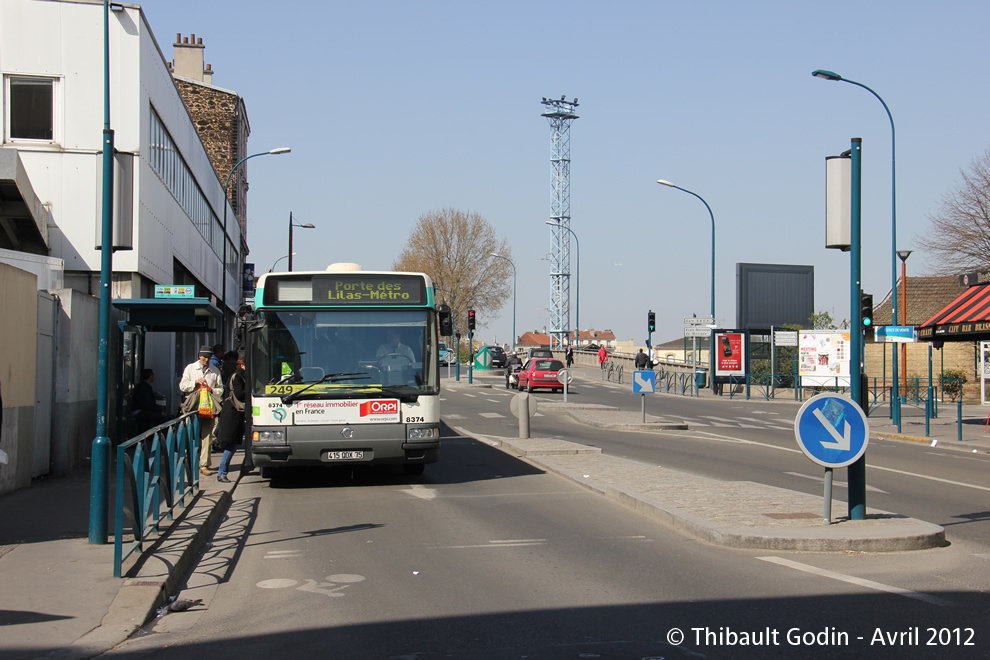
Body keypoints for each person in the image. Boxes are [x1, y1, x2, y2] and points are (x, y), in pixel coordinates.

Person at [179, 345, 223, 476]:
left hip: (208, 408)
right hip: (193, 407)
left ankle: (204, 465)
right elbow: (182, 386)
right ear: (199, 356)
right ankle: (189, 462)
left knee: (207, 437)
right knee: (191, 435)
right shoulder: (190, 368)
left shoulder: (214, 371)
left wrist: (212, 390)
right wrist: (195, 383)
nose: (207, 359)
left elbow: (220, 389)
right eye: (204, 357)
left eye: (209, 357)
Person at [215, 352, 246, 484]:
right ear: (242, 365)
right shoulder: (238, 376)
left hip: (233, 414)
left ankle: (222, 472)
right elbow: (239, 394)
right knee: (230, 445)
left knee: (231, 445)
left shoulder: (236, 375)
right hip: (233, 415)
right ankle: (221, 472)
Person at [133, 368, 167, 432]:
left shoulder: (143, 386)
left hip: (141, 411)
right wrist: (159, 410)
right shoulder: (145, 388)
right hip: (140, 412)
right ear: (150, 376)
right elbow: (147, 405)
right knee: (163, 418)